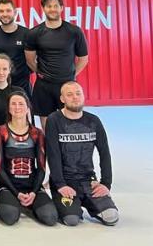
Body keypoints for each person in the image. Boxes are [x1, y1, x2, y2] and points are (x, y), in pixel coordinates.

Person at [45, 82, 118, 226]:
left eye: (78, 93)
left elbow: (104, 153)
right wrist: (60, 185)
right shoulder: (54, 120)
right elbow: (53, 155)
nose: (75, 97)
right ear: (62, 99)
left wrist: (105, 183)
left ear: (83, 96)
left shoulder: (93, 121)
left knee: (111, 217)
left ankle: (89, 202)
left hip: (88, 181)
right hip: (65, 181)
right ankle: (67, 205)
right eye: (70, 94)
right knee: (71, 220)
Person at [25, 0, 89, 130]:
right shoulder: (34, 33)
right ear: (43, 8)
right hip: (44, 85)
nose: (52, 9)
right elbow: (30, 60)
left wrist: (71, 75)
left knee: (69, 124)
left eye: (56, 6)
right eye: (49, 6)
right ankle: (49, 144)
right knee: (47, 125)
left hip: (67, 84)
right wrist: (42, 73)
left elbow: (83, 59)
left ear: (62, 8)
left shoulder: (74, 31)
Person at [0, 92, 57, 226]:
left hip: (31, 185)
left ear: (28, 108)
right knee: (10, 217)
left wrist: (34, 192)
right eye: (13, 104)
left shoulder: (37, 133)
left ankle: (28, 203)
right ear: (8, 108)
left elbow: (41, 168)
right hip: (8, 185)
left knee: (50, 217)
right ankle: (16, 202)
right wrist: (16, 193)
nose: (17, 107)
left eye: (21, 104)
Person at [0, 0, 32, 97]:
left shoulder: (27, 34)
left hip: (22, 86)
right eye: (1, 11)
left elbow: (33, 59)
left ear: (15, 12)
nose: (5, 14)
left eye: (8, 10)